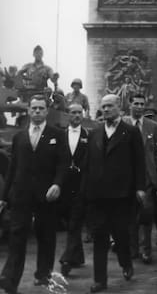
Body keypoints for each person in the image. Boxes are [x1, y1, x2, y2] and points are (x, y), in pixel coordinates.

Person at [0, 94, 68, 294]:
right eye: (34, 108)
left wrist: (57, 184)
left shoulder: (57, 134)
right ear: (29, 111)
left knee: (46, 235)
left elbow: (63, 164)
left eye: (41, 108)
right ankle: (9, 279)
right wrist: (4, 197)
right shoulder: (19, 137)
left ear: (46, 111)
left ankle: (43, 273)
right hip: (22, 194)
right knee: (17, 234)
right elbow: (12, 168)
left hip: (47, 194)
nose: (37, 111)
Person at [82, 94, 146, 293]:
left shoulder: (131, 132)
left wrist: (140, 188)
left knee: (121, 235)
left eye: (110, 106)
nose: (106, 110)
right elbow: (87, 164)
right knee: (99, 237)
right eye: (103, 106)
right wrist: (84, 190)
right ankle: (100, 280)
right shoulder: (94, 133)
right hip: (98, 196)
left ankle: (126, 263)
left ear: (119, 107)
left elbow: (139, 162)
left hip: (121, 195)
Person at [122, 92, 157, 264]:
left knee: (146, 216)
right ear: (129, 104)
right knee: (130, 216)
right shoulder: (122, 123)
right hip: (127, 177)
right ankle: (132, 249)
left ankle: (146, 251)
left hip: (147, 177)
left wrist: (156, 176)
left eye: (141, 104)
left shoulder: (153, 126)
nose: (139, 107)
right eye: (136, 103)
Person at [59, 103, 89, 277]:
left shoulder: (88, 136)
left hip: (81, 184)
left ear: (83, 115)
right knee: (69, 219)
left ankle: (67, 258)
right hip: (64, 185)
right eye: (73, 112)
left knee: (75, 221)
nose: (76, 115)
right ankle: (78, 256)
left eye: (79, 112)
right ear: (67, 115)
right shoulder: (61, 135)